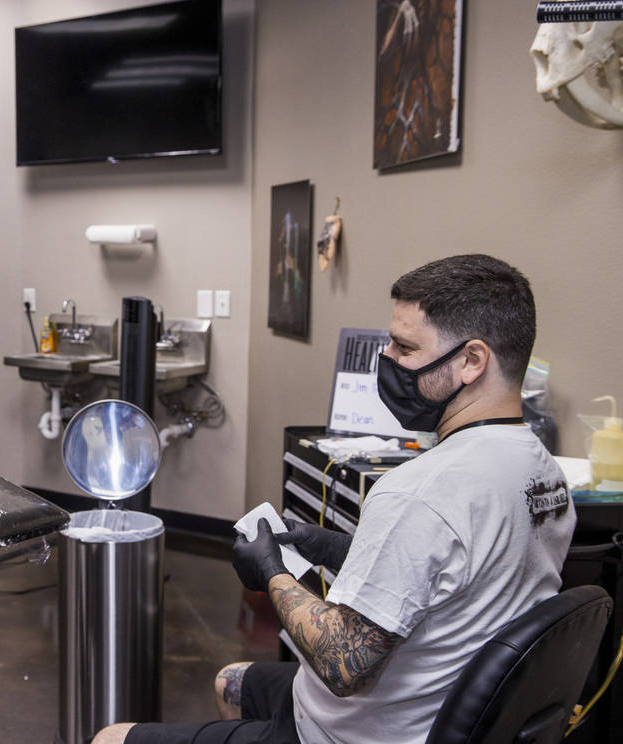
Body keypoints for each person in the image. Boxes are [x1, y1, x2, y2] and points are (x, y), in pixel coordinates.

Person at [96, 254, 575, 744]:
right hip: (438, 709)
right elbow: (459, 581)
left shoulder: (421, 491)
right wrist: (340, 548)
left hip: (354, 734)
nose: (385, 358)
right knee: (234, 680)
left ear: (472, 361)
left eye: (405, 348)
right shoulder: (544, 475)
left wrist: (272, 572)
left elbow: (344, 664)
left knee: (112, 737)